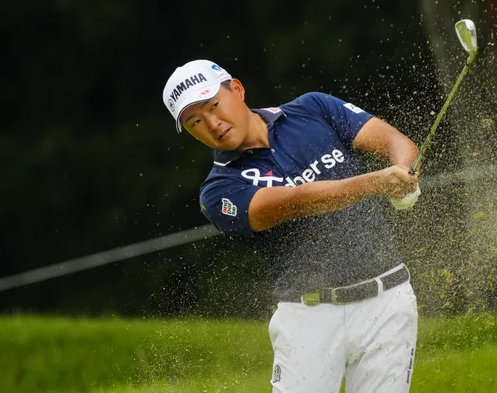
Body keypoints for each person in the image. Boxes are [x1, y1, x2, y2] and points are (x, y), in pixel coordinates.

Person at [162, 59, 422, 392]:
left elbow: (393, 141)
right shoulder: (218, 191)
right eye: (195, 122)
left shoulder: (312, 108)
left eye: (214, 105)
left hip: (388, 300)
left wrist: (403, 175)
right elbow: (299, 201)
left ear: (237, 90)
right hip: (308, 319)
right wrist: (377, 182)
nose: (212, 124)